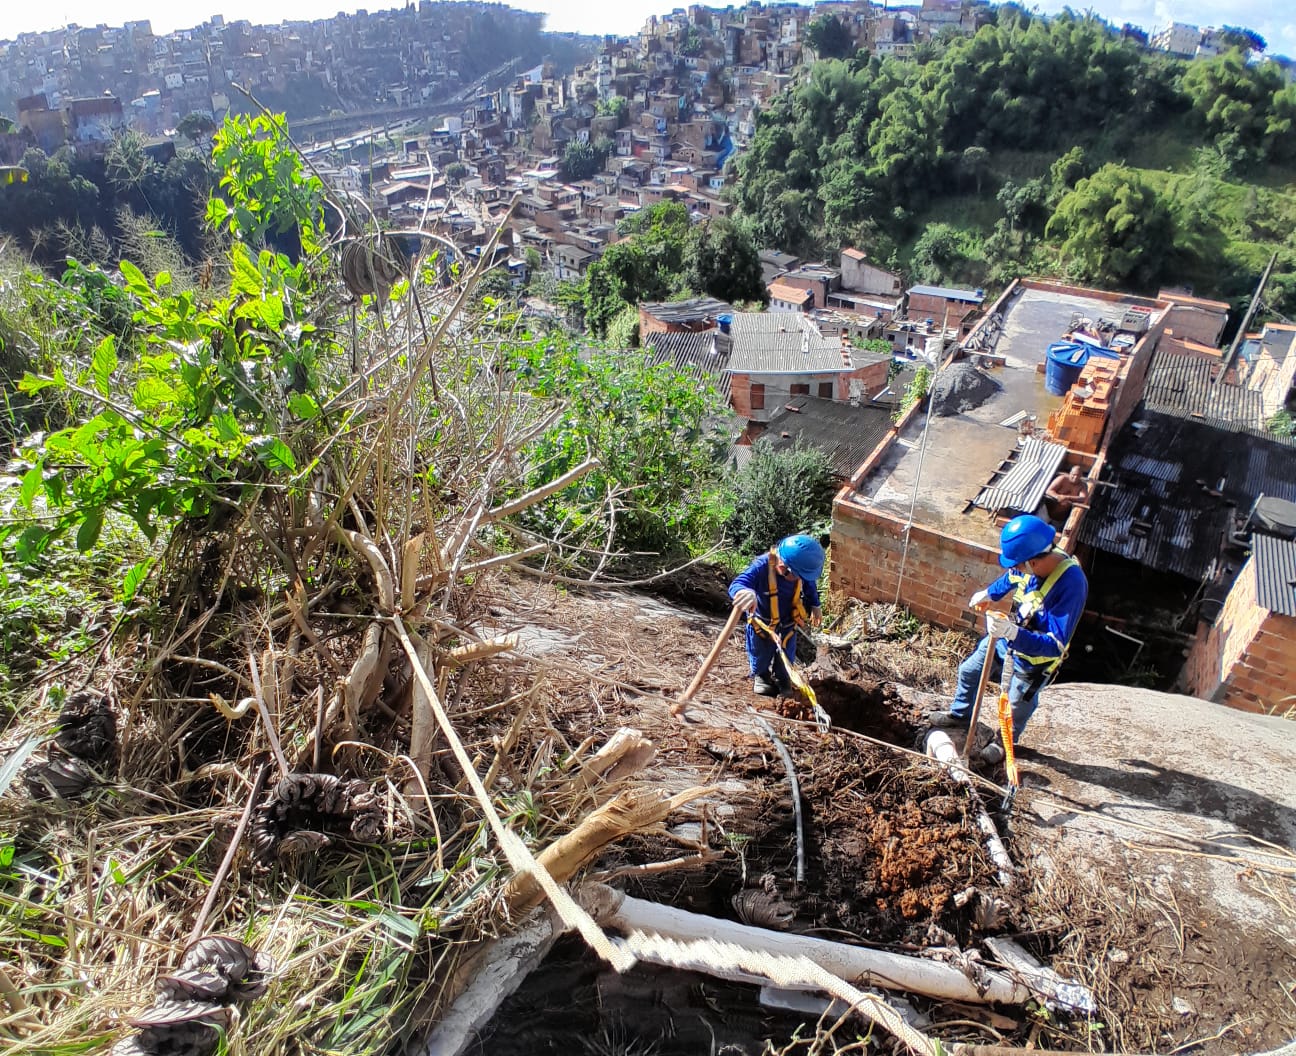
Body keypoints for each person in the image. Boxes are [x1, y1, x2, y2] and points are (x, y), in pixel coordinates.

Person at [928, 514, 1087, 746]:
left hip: (1034, 661)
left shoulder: (1071, 584)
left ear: (1033, 562)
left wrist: (1012, 632)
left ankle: (1003, 745)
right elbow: (1012, 577)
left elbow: (1056, 646)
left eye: (1019, 564)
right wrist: (990, 593)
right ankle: (960, 716)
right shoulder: (1029, 565)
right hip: (1006, 640)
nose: (1016, 569)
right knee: (969, 671)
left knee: (1015, 707)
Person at [729, 535, 825, 696]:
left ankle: (783, 679)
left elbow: (809, 585)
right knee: (760, 653)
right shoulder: (761, 566)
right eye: (795, 576)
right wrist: (745, 592)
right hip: (763, 623)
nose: (797, 580)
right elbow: (738, 583)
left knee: (786, 655)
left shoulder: (799, 572)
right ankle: (762, 676)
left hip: (788, 623)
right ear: (782, 566)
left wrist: (815, 604)